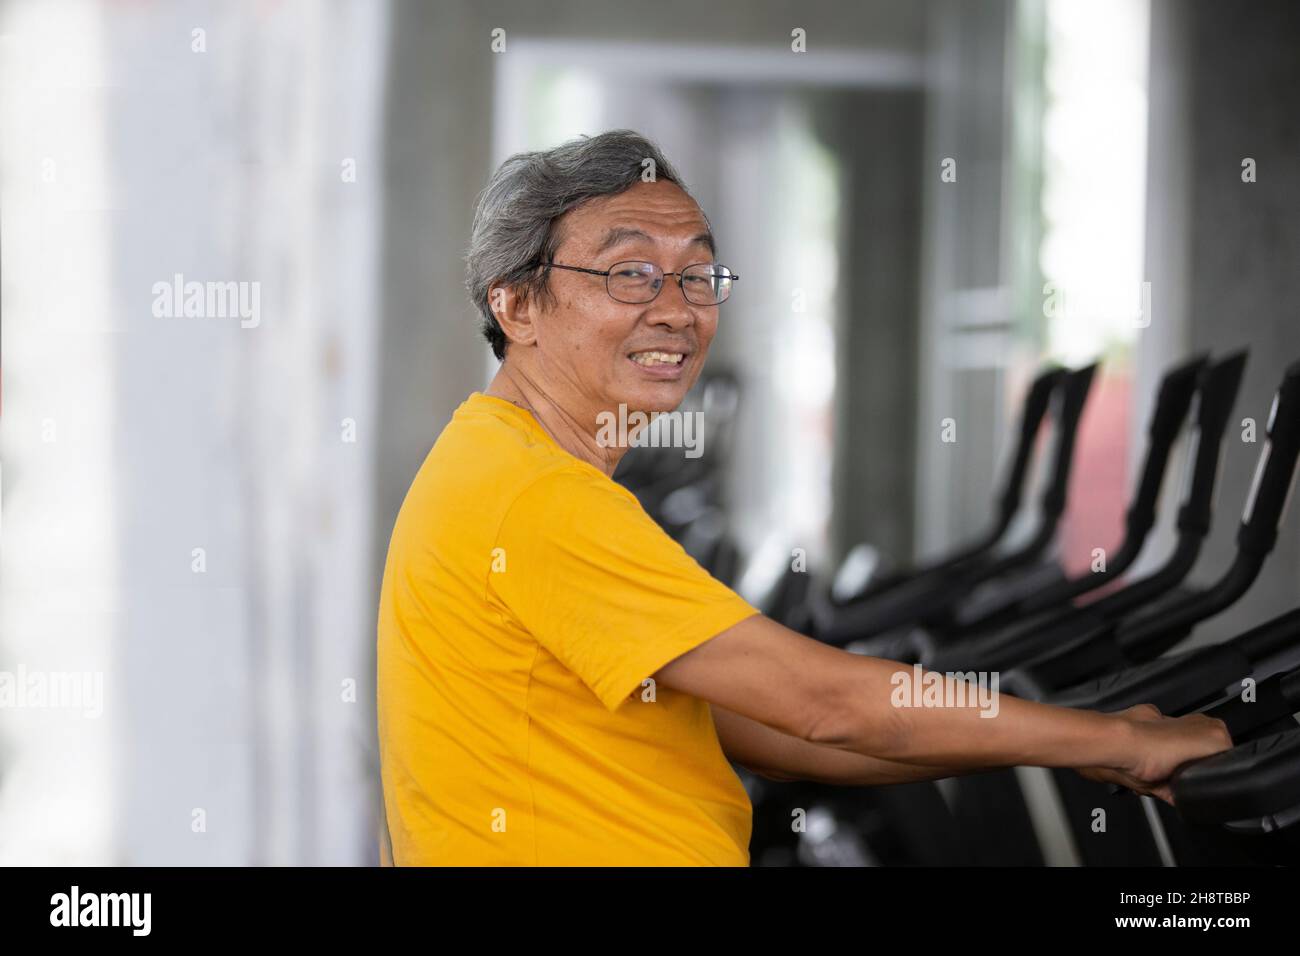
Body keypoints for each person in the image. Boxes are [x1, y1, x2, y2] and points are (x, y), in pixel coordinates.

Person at [375, 129, 1231, 866]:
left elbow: (775, 734)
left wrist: (1071, 737)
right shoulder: (537, 498)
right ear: (517, 304)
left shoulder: (500, 463)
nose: (677, 311)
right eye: (631, 274)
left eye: (697, 277)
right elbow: (823, 708)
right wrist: (1119, 739)